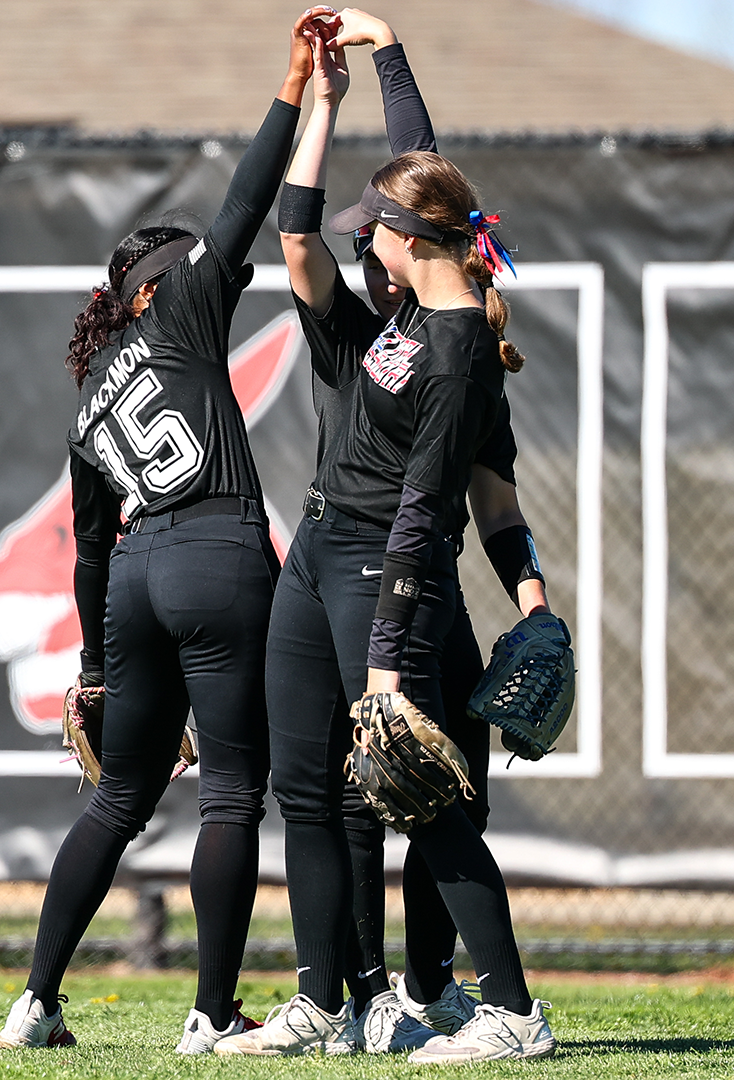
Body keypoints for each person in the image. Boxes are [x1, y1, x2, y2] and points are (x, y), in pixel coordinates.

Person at [0, 7, 334, 1055]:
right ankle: (207, 1013)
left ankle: (36, 1001)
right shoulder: (182, 307)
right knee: (234, 789)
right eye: (189, 266)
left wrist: (94, 667)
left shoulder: (90, 400)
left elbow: (91, 548)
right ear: (156, 288)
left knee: (120, 800)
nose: (209, 271)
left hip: (137, 579)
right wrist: (295, 89)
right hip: (221, 551)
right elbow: (246, 205)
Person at [215, 47, 555, 1061]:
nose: (372, 247)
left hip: (378, 571)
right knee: (309, 793)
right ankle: (325, 1002)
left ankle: (511, 1012)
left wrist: (388, 657)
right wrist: (356, 78)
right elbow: (347, 204)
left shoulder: (456, 354)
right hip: (315, 554)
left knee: (418, 789)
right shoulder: (392, 323)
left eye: (385, 235)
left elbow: (429, 512)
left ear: (412, 243)